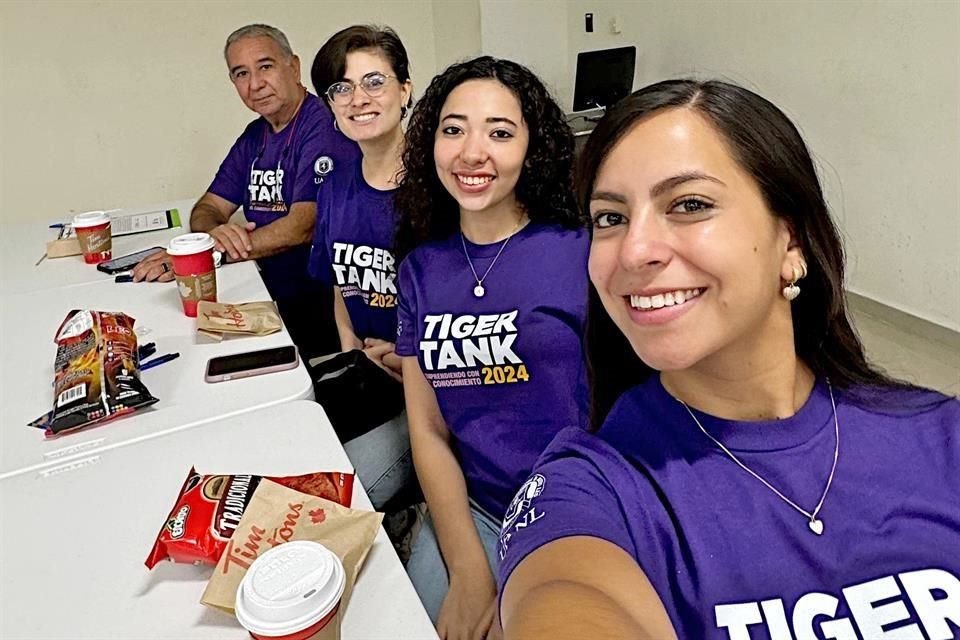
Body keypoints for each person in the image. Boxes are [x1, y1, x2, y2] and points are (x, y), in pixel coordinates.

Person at [497, 80, 960, 639]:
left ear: (791, 241)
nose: (635, 250)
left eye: (689, 205)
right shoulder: (591, 486)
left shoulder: (940, 437)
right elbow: (562, 598)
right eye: (610, 218)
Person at [392, 57, 591, 637]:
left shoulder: (582, 253)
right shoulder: (420, 269)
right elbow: (427, 429)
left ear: (533, 150)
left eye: (500, 133)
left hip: (580, 509)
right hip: (474, 508)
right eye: (453, 129)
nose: (471, 152)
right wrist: (470, 570)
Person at [133, 24, 359, 357]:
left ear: (293, 67)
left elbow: (303, 225)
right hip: (258, 290)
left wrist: (201, 255)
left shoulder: (324, 125)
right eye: (241, 74)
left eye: (265, 66)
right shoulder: (256, 135)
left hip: (315, 310)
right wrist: (215, 235)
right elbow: (207, 207)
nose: (254, 84)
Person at [306, 25, 413, 510]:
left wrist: (407, 360)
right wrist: (352, 356)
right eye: (341, 88)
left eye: (374, 81)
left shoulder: (439, 188)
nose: (358, 99)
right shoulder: (335, 185)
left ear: (405, 90)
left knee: (333, 507)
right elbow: (338, 284)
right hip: (367, 374)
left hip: (430, 389)